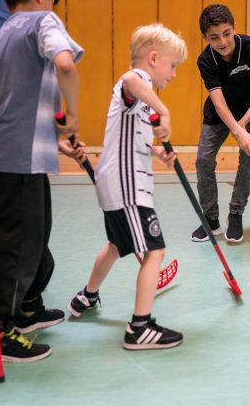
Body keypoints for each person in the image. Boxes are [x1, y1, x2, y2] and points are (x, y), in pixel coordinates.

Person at [0, 0, 85, 362]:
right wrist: (72, 119)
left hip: (21, 152)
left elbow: (17, 103)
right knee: (19, 245)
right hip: (17, 158)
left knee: (35, 238)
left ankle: (27, 309)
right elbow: (65, 64)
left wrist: (54, 141)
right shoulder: (44, 21)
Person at [66, 24, 186, 351]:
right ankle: (140, 327)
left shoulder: (139, 102)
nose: (173, 74)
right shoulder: (137, 81)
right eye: (172, 65)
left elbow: (132, 137)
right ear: (153, 58)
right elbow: (132, 80)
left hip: (117, 184)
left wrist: (158, 151)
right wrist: (164, 109)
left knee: (117, 244)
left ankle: (86, 297)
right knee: (155, 249)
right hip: (127, 188)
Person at [192, 4, 250, 244]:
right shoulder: (206, 59)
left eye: (227, 33)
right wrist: (236, 129)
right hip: (220, 113)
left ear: (235, 28)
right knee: (203, 160)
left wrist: (243, 126)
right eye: (214, 37)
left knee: (248, 161)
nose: (223, 41)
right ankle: (210, 218)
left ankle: (236, 214)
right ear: (205, 38)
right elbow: (218, 101)